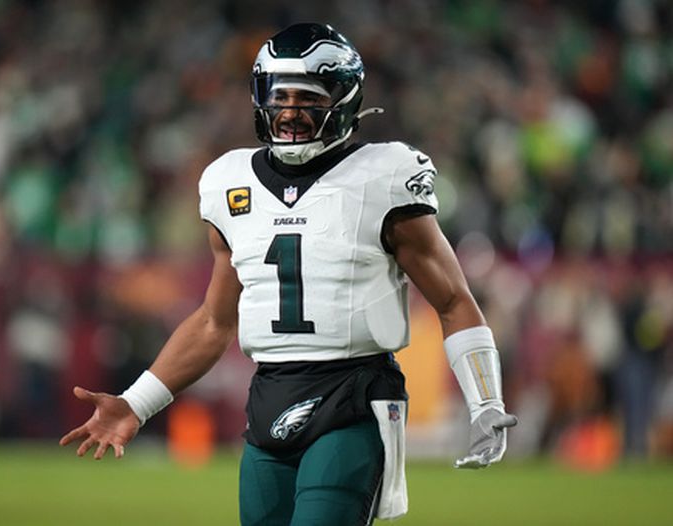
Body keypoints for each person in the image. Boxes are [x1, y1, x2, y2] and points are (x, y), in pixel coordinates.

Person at [60, 23, 517, 525]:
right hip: (269, 398)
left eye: (308, 98)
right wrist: (135, 404)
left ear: (342, 102)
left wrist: (485, 401)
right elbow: (214, 322)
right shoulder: (228, 183)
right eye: (280, 97)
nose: (291, 111)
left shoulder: (384, 177)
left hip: (355, 394)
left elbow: (452, 300)